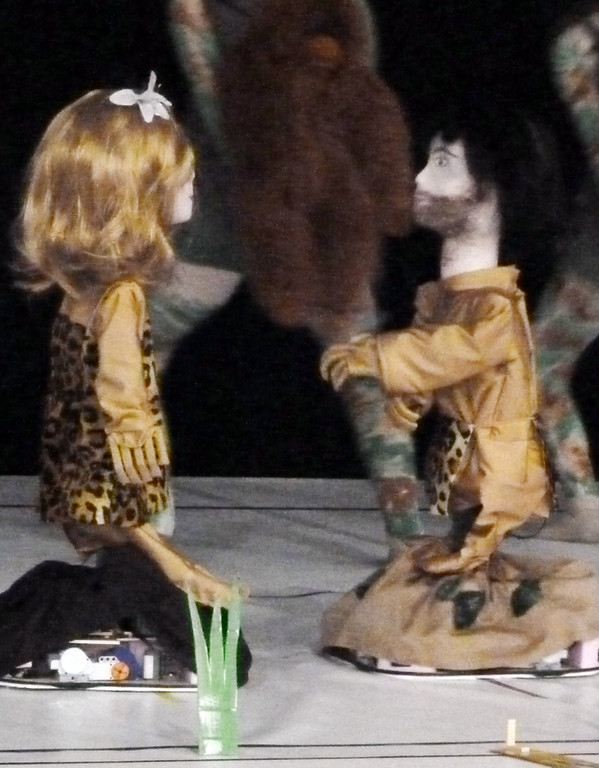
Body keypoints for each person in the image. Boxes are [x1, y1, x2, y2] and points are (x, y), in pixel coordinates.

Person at [318, 106, 599, 671]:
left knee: (472, 547)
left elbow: (449, 352)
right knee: (462, 543)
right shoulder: (452, 298)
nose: (420, 179)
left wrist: (373, 355)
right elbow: (437, 361)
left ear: (490, 189)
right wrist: (406, 399)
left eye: (442, 165)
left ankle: (535, 633)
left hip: (498, 463)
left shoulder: (492, 308)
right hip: (467, 454)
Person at [0, 75, 251, 683]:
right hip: (117, 478)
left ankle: (122, 624)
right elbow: (117, 380)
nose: (192, 185)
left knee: (141, 567)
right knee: (155, 583)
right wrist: (134, 430)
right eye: (178, 177)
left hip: (88, 473)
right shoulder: (121, 295)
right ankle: (72, 635)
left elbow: (79, 386)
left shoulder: (84, 288)